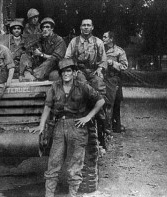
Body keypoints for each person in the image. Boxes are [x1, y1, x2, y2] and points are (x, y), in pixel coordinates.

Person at [30, 58, 105, 197]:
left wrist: (88, 117)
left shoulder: (82, 86)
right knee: (54, 163)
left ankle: (72, 194)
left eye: (69, 71)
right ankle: (49, 194)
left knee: (75, 166)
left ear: (75, 72)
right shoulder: (55, 87)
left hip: (77, 127)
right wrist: (41, 125)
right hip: (59, 126)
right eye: (63, 71)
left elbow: (100, 100)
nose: (66, 74)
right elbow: (48, 106)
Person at [65, 19, 107, 94]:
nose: (86, 27)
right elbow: (67, 58)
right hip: (79, 71)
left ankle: (100, 104)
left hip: (93, 71)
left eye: (88, 25)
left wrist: (99, 69)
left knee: (99, 83)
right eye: (84, 25)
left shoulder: (98, 42)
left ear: (92, 27)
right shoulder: (74, 41)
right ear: (81, 27)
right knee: (81, 85)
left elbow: (103, 59)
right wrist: (73, 69)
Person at [103, 31, 128, 133]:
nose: (103, 38)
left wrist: (113, 63)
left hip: (113, 79)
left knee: (115, 102)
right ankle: (105, 125)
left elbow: (124, 66)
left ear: (111, 39)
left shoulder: (119, 51)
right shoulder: (100, 49)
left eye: (105, 37)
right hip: (102, 78)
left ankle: (114, 125)